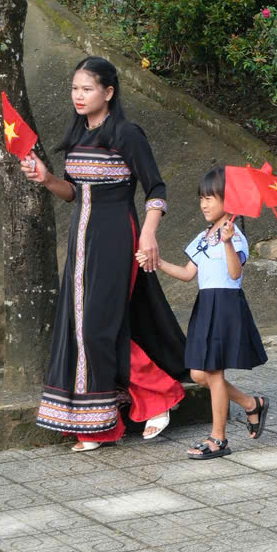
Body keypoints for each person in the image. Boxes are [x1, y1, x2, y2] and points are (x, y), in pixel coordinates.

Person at [27, 57, 186, 452]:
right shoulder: (79, 133)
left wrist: (148, 235)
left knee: (98, 327)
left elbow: (157, 189)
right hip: (82, 242)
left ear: (109, 92)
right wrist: (47, 179)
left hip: (118, 238)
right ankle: (94, 424)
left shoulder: (127, 134)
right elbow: (74, 193)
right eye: (74, 88)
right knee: (80, 327)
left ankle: (159, 395)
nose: (78, 96)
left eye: (87, 89)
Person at [147, 168, 268, 459]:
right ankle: (251, 403)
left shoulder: (235, 235)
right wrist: (158, 262)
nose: (204, 204)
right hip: (206, 305)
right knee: (199, 373)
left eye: (211, 198)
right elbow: (189, 273)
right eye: (202, 198)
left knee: (213, 373)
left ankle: (218, 438)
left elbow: (235, 272)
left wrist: (227, 242)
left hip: (226, 306)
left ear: (229, 201)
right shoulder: (204, 236)